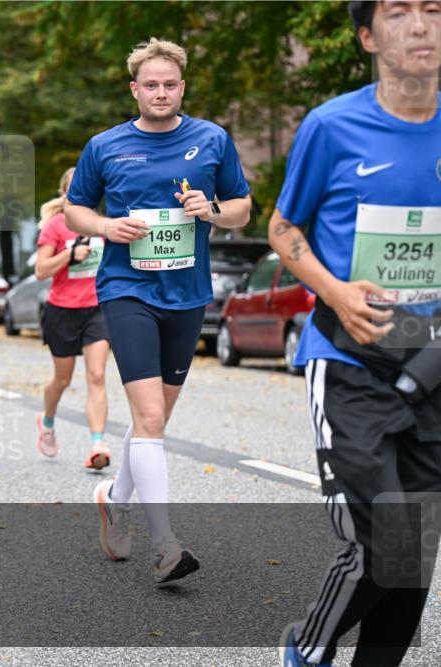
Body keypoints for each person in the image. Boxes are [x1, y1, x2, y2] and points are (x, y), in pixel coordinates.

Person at [268, 3, 441, 666]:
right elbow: (284, 229)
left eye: (434, 9)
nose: (421, 24)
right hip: (349, 359)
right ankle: (307, 649)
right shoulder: (331, 126)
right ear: (368, 36)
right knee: (383, 540)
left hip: (431, 359)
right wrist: (335, 292)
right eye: (399, 11)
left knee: (415, 547)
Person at [66, 38, 252, 583]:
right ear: (135, 90)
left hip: (187, 295)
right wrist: (105, 226)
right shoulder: (105, 146)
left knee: (154, 420)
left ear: (182, 87)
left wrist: (210, 209)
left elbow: (242, 209)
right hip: (127, 289)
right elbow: (75, 209)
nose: (161, 93)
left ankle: (114, 500)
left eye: (170, 84)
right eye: (151, 85)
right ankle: (166, 544)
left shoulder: (212, 139)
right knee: (149, 419)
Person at [34, 166, 113, 469]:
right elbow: (41, 271)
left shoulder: (103, 224)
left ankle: (98, 444)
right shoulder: (55, 226)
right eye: (73, 187)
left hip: (97, 309)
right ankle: (47, 421)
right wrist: (69, 255)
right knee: (63, 378)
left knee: (97, 375)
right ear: (64, 193)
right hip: (62, 311)